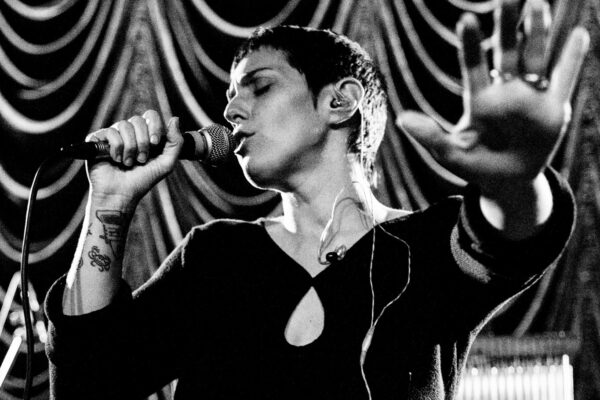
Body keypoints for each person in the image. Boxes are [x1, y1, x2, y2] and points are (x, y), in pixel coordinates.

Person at [44, 0, 588, 398]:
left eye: (259, 86)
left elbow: (507, 236)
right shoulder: (214, 258)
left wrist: (515, 182)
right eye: (229, 96)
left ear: (340, 102)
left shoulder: (424, 251)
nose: (230, 112)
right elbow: (90, 381)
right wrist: (109, 205)